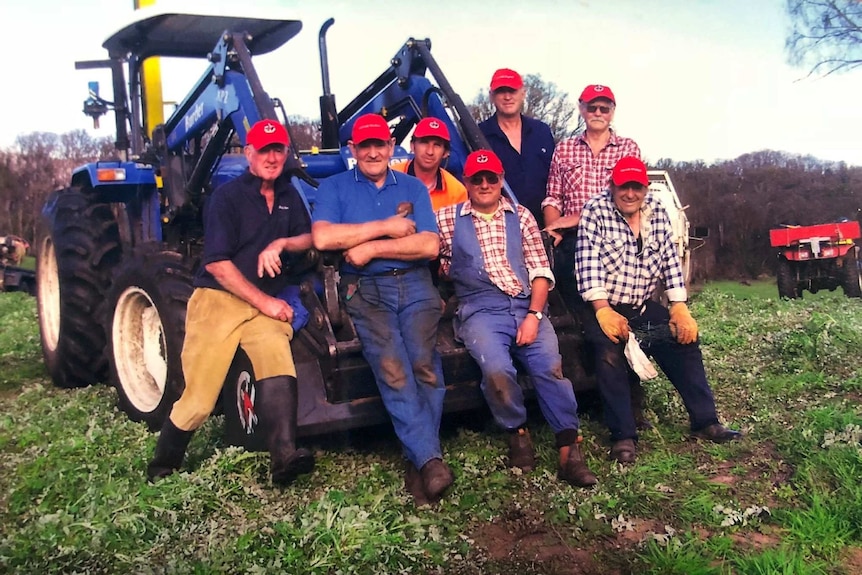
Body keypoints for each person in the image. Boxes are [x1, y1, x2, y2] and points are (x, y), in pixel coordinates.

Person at [147, 119, 316, 485]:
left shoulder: (289, 196)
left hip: (263, 301)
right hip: (219, 301)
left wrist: (282, 244)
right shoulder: (227, 198)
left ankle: (284, 456)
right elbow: (218, 265)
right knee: (199, 400)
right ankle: (162, 466)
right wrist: (267, 304)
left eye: (278, 150)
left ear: (286, 154)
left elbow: (307, 238)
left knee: (276, 356)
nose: (272, 157)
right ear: (249, 154)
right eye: (264, 150)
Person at [311, 113, 453, 506]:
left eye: (380, 144)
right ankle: (429, 459)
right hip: (366, 289)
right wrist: (386, 226)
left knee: (424, 364)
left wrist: (371, 247)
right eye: (365, 145)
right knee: (392, 368)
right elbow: (323, 237)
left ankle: (418, 458)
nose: (373, 152)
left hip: (416, 284)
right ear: (352, 150)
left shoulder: (410, 186)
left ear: (391, 148)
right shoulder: (334, 186)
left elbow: (428, 246)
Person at [436, 149, 597, 487]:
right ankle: (516, 430)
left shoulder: (521, 216)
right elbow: (428, 255)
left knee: (550, 367)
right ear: (465, 181)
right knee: (496, 369)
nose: (484, 184)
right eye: (476, 178)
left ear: (499, 180)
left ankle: (569, 448)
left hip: (526, 304)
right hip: (479, 309)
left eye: (490, 178)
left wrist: (534, 316)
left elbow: (540, 271)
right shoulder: (446, 219)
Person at [575, 156, 742, 463]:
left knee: (683, 339)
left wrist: (679, 306)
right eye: (623, 186)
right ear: (612, 185)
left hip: (641, 307)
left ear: (645, 187)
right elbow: (588, 264)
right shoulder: (595, 210)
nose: (629, 194)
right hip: (604, 307)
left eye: (636, 187)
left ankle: (706, 422)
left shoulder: (658, 211)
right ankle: (623, 437)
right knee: (609, 353)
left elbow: (669, 261)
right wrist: (602, 309)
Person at [541, 84, 648, 429]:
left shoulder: (628, 148)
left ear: (613, 110)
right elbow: (552, 197)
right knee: (585, 324)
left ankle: (633, 404)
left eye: (604, 108)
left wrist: (573, 218)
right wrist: (553, 229)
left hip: (616, 246)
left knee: (622, 321)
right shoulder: (565, 149)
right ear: (582, 108)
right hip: (573, 247)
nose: (598, 114)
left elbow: (629, 200)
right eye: (592, 107)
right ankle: (595, 397)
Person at [478, 68, 555, 226]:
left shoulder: (542, 131)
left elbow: (556, 180)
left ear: (523, 93)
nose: (507, 97)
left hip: (544, 228)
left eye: (512, 91)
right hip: (498, 227)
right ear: (492, 96)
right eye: (501, 91)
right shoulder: (478, 135)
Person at [391, 117, 467, 212]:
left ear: (446, 152)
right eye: (424, 142)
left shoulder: (457, 192)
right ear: (412, 146)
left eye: (437, 145)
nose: (430, 151)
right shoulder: (390, 177)